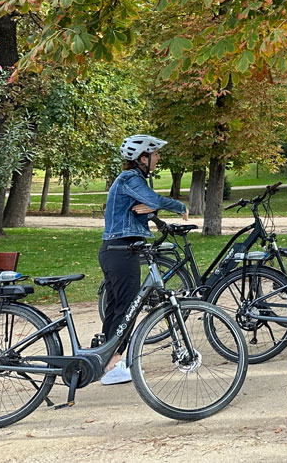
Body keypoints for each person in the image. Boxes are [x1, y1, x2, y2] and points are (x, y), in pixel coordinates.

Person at [99, 134, 188, 385]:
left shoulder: (130, 181)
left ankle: (109, 360)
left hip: (116, 250)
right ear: (143, 158)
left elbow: (145, 206)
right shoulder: (131, 178)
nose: (158, 159)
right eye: (156, 154)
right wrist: (177, 207)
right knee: (127, 309)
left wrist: (153, 213)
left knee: (118, 309)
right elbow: (153, 199)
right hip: (121, 251)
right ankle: (113, 364)